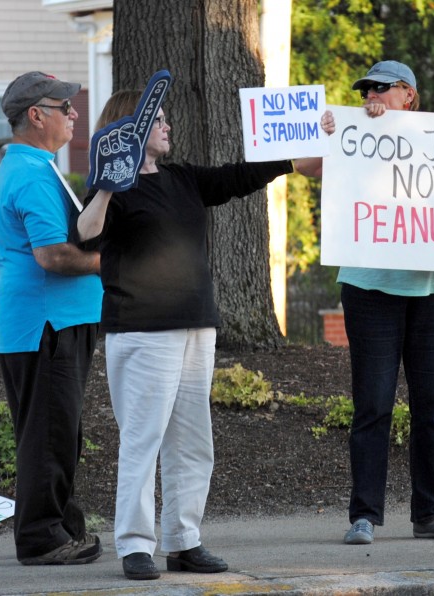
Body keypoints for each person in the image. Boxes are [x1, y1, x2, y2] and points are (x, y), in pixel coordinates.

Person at [77, 89, 294, 580]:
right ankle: (135, 545)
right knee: (143, 438)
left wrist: (290, 160)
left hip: (197, 325)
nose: (168, 126)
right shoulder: (114, 188)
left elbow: (236, 177)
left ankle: (183, 541)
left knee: (193, 441)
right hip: (142, 330)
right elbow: (86, 231)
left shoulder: (182, 178)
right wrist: (110, 183)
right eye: (158, 120)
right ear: (131, 128)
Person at [295, 60, 434, 545]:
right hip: (370, 290)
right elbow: (306, 167)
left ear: (408, 95)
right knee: (372, 403)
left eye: (381, 88)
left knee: (431, 404)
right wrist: (325, 133)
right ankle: (364, 516)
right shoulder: (351, 136)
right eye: (364, 89)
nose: (370, 95)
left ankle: (431, 514)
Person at [0, 71, 110, 565]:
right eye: (66, 107)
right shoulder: (33, 174)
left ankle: (61, 527)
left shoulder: (26, 166)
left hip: (41, 322)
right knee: (50, 434)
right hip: (48, 323)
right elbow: (54, 256)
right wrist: (114, 260)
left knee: (54, 431)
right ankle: (43, 538)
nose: (74, 114)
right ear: (36, 115)